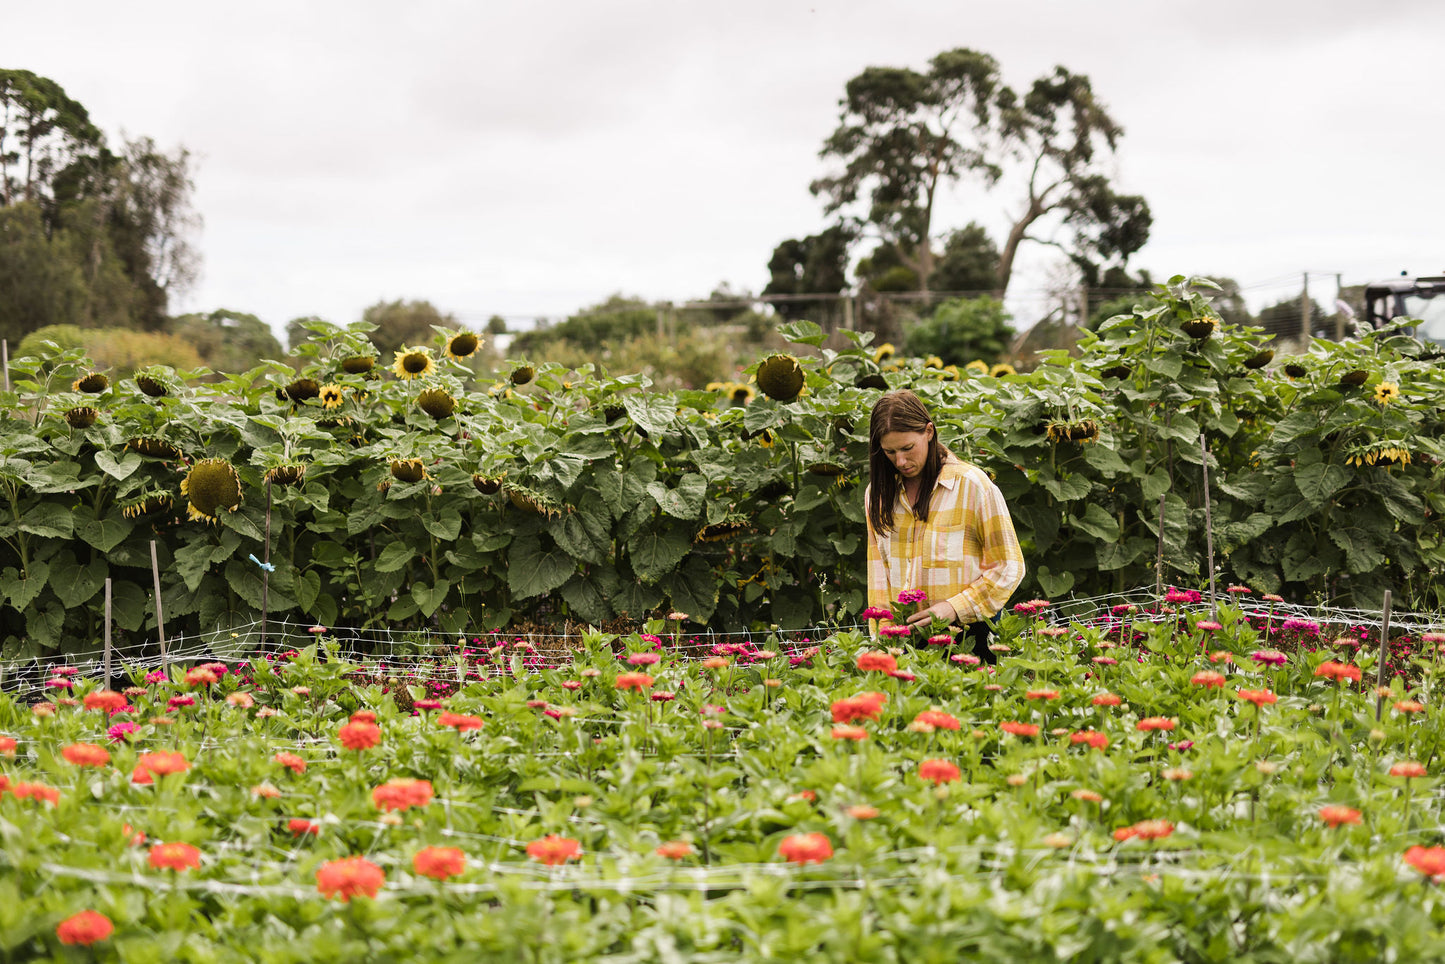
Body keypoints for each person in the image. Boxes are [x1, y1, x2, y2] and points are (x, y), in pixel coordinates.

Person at [864, 389, 1025, 660]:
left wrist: (953, 607)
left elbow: (1009, 566)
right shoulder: (878, 494)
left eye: (907, 448)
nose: (900, 461)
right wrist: (883, 640)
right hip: (907, 640)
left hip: (969, 635)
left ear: (928, 432)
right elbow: (879, 575)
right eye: (890, 452)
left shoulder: (972, 485)